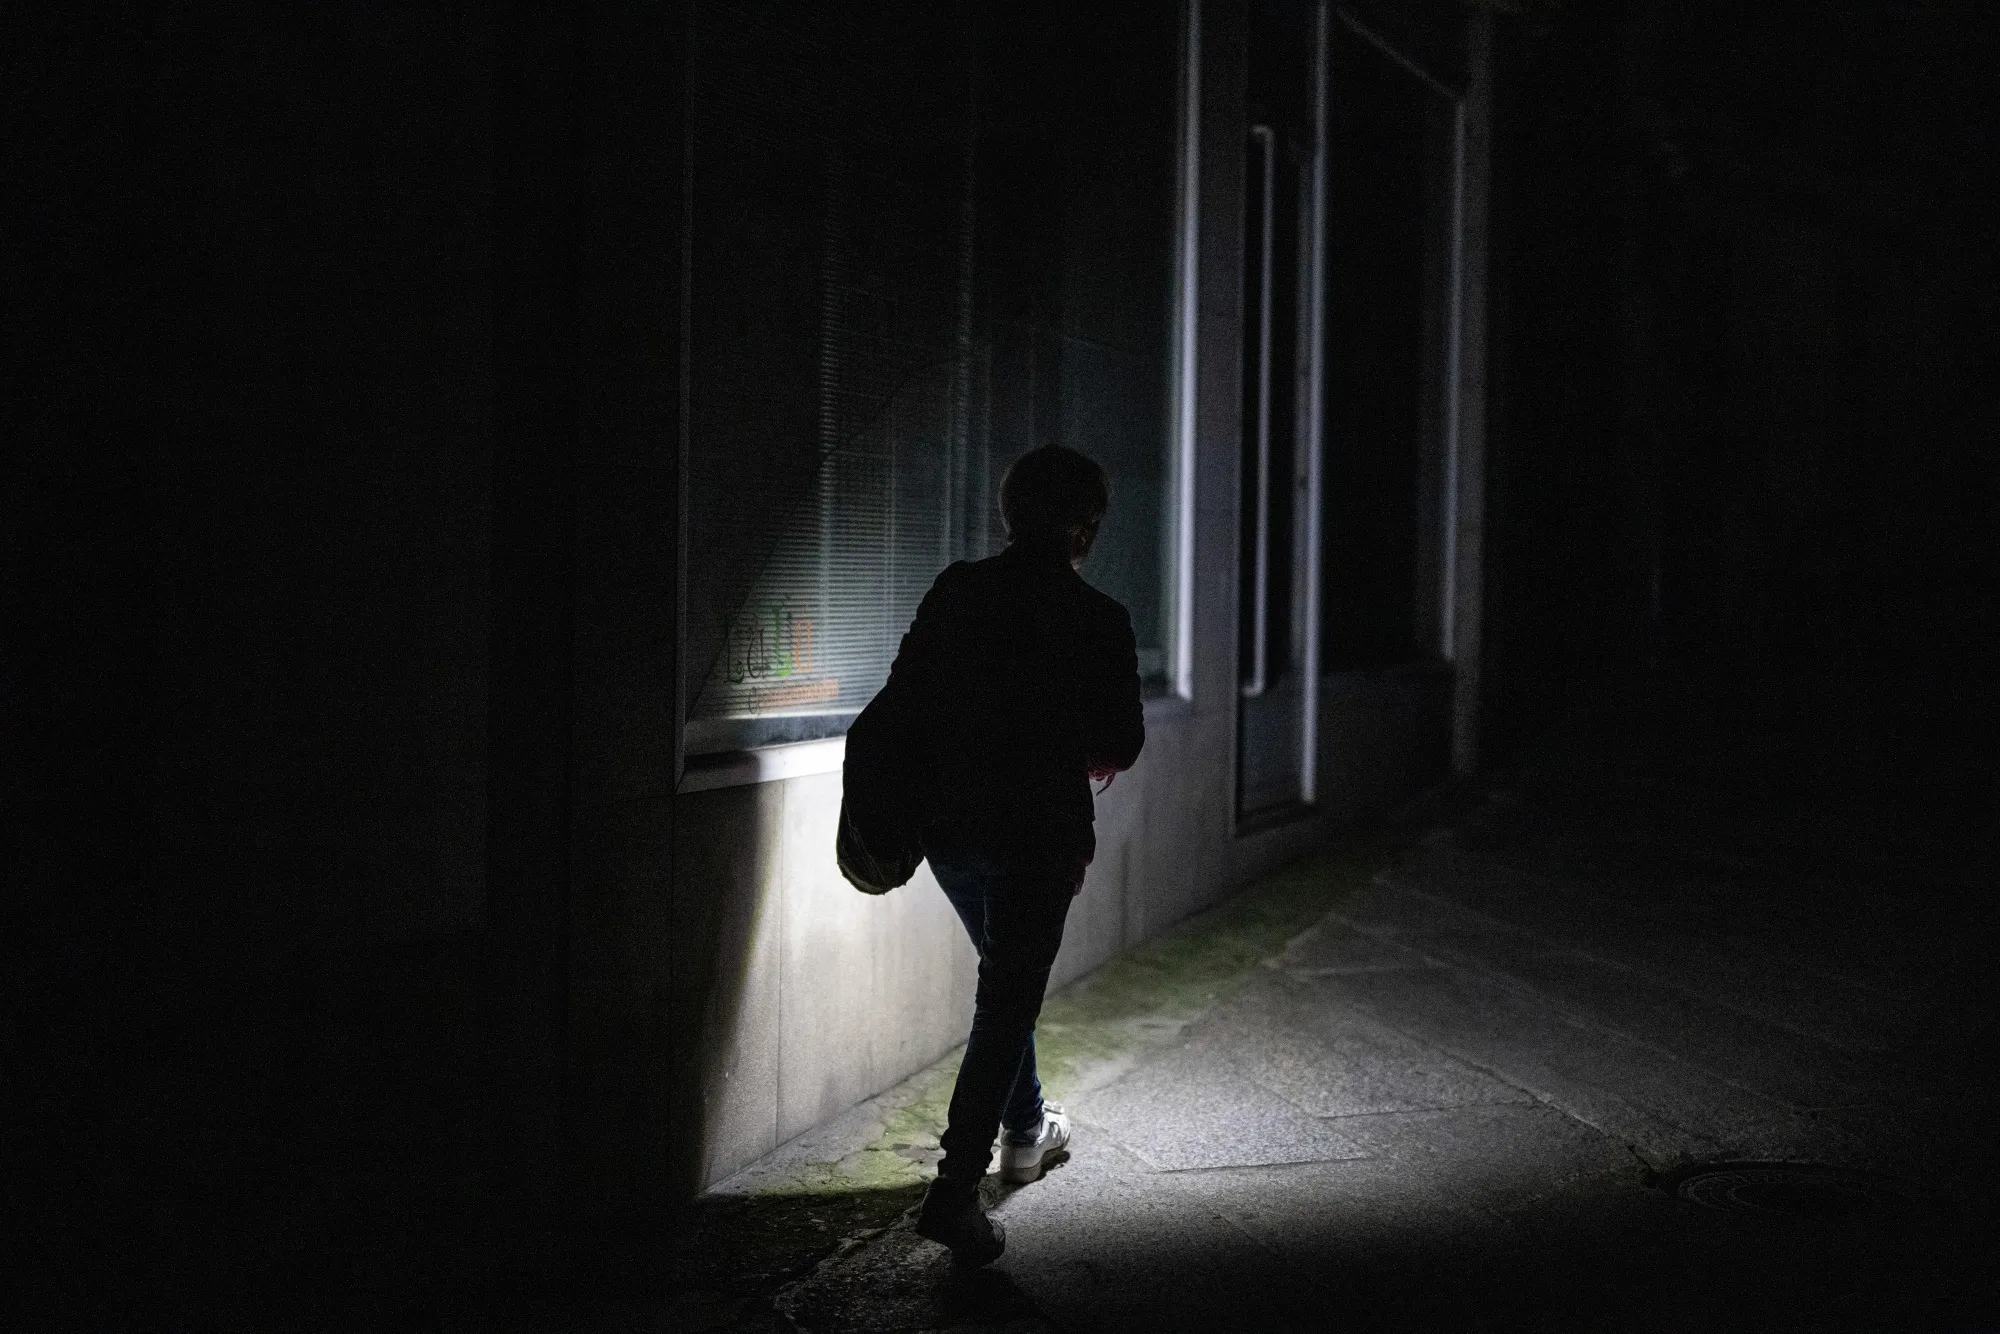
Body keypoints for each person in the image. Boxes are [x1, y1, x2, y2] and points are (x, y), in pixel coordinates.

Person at [883, 444, 1145, 1266]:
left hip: (950, 827)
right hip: (1038, 835)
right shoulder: (1099, 620)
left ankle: (1027, 1130)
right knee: (1005, 997)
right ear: (1084, 526)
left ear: (1009, 514)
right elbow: (1122, 743)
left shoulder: (958, 590)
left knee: (1006, 980)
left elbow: (905, 692)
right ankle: (955, 1192)